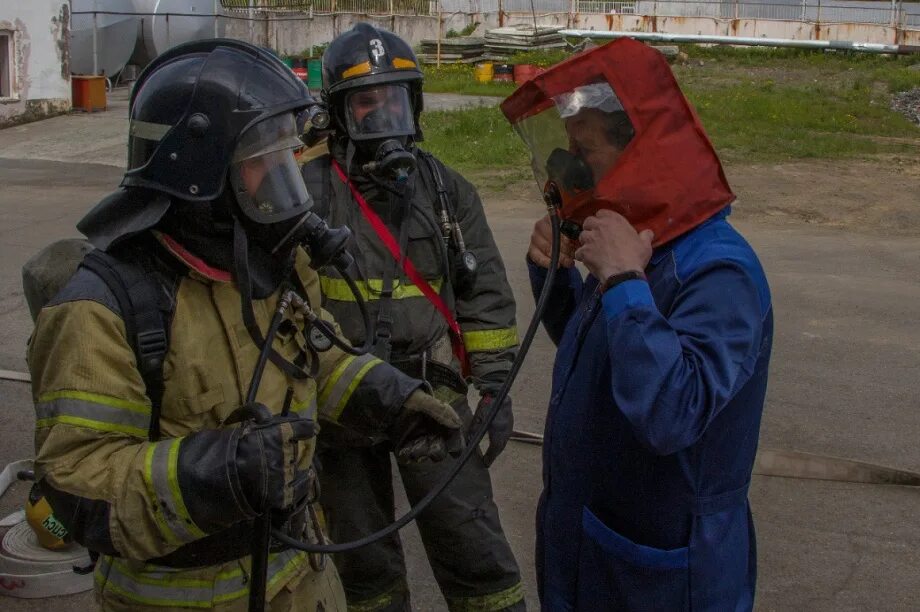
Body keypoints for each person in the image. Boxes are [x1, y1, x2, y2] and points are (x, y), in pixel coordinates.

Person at [25, 39, 463, 612]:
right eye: (263, 160)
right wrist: (218, 473)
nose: (284, 180)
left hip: (301, 578)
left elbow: (315, 357)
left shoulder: (264, 265)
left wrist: (390, 399)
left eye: (286, 157)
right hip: (180, 599)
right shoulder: (101, 310)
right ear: (200, 172)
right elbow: (74, 487)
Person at [503, 38, 773, 610]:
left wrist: (625, 280)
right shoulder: (632, 238)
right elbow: (599, 355)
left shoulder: (718, 269)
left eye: (587, 149)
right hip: (590, 541)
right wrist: (556, 277)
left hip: (667, 569)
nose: (570, 167)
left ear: (639, 155)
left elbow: (672, 413)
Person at [300, 23, 525, 612]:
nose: (382, 117)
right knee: (360, 559)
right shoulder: (305, 197)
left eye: (393, 100)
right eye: (366, 104)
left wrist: (495, 386)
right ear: (338, 115)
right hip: (342, 403)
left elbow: (486, 299)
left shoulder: (448, 193)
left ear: (414, 105)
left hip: (433, 395)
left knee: (471, 542)